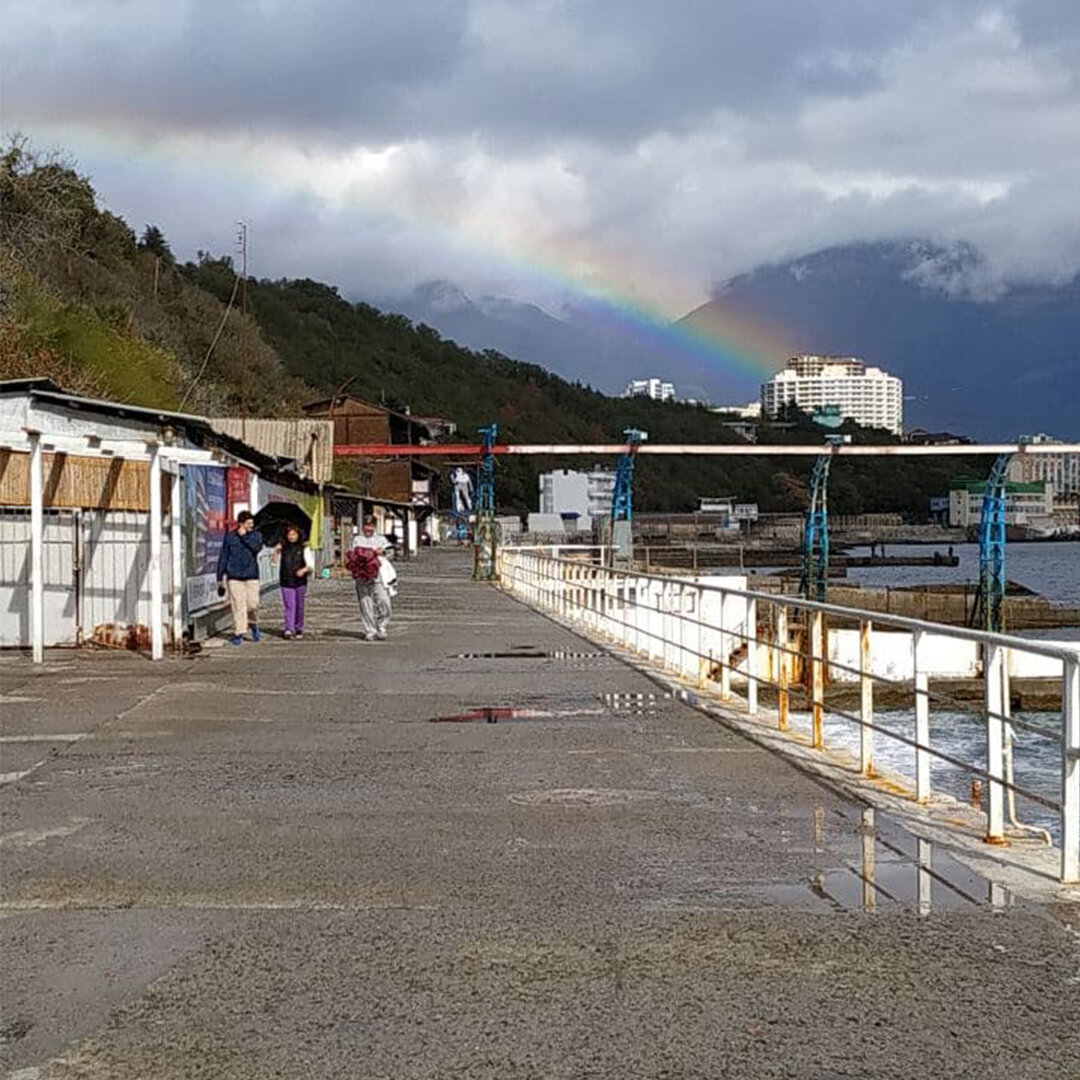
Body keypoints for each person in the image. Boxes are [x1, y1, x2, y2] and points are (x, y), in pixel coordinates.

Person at [216, 510, 264, 645]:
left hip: (251, 575)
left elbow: (257, 548)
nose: (251, 526)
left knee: (252, 604)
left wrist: (245, 537)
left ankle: (253, 624)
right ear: (241, 524)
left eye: (252, 523)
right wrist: (220, 576)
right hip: (234, 576)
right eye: (248, 523)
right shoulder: (230, 537)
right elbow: (223, 556)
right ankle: (239, 632)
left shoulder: (256, 535)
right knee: (238, 605)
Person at [346, 515, 391, 641]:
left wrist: (383, 552)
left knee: (384, 602)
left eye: (371, 526)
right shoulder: (357, 540)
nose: (368, 529)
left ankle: (381, 626)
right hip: (362, 576)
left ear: (374, 526)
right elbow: (350, 555)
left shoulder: (381, 539)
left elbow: (391, 552)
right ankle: (370, 630)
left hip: (378, 576)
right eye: (366, 526)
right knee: (365, 604)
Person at [278, 525, 314, 639]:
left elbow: (310, 566)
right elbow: (273, 563)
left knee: (299, 605)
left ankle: (299, 627)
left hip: (300, 581)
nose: (291, 537)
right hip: (286, 579)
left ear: (298, 535)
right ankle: (289, 628)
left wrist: (303, 570)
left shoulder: (304, 548)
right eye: (289, 535)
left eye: (294, 534)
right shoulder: (283, 547)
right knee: (289, 605)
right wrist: (275, 552)